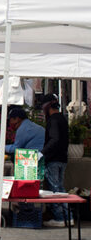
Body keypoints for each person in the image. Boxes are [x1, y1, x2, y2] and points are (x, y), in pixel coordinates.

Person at [42, 97, 70, 227]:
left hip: (53, 159)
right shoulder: (63, 119)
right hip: (63, 158)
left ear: (47, 107)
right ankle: (67, 217)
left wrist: (43, 152)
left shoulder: (53, 120)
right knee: (60, 188)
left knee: (54, 189)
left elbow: (54, 139)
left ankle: (60, 218)